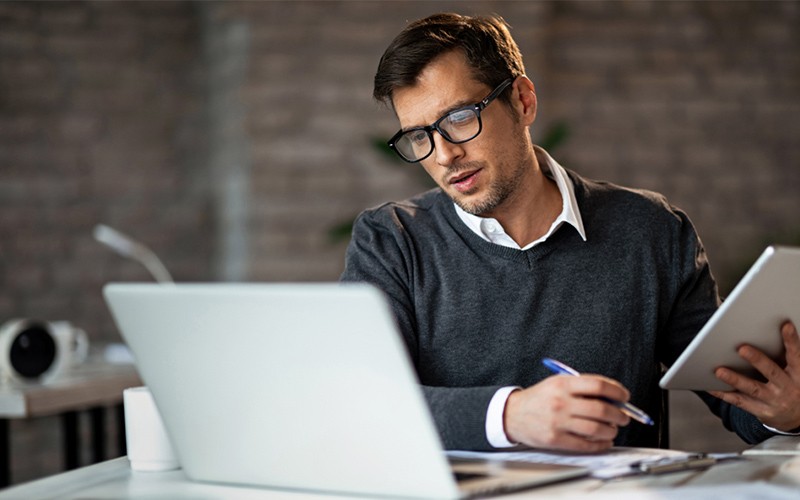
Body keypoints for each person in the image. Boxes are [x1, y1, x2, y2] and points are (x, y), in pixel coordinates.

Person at [340, 12, 800, 452]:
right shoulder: (391, 240)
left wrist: (785, 411)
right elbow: (361, 400)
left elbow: (737, 395)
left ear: (523, 101)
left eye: (459, 118)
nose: (443, 156)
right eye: (419, 136)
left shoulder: (651, 231)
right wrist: (510, 415)